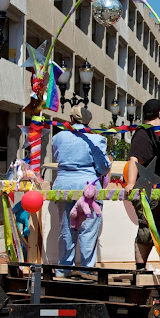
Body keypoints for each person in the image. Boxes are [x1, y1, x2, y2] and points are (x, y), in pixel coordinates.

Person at [53, 106, 111, 278]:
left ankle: (63, 268)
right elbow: (104, 167)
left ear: (71, 119)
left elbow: (57, 157)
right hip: (88, 187)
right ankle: (87, 269)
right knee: (88, 229)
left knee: (67, 227)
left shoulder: (58, 137)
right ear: (88, 121)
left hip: (63, 185)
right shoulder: (96, 139)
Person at [125, 99, 160, 271]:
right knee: (147, 229)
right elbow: (134, 158)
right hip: (147, 191)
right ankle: (140, 269)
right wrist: (130, 183)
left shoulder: (157, 134)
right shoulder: (144, 133)